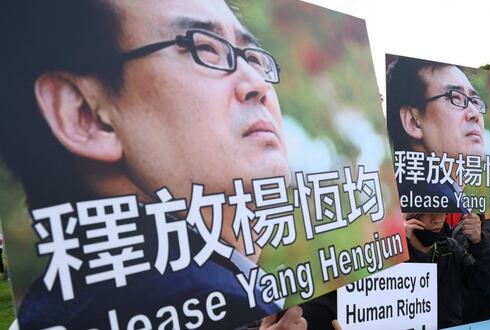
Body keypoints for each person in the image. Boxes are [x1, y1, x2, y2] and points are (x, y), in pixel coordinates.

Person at [0, 1, 305, 329]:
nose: (257, 86)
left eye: (253, 58)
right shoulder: (192, 301)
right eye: (204, 48)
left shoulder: (69, 304)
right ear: (85, 114)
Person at [386, 56, 487, 213]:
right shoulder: (437, 201)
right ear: (412, 121)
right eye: (455, 98)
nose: (474, 113)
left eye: (474, 101)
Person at [404, 213, 490, 328]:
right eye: (426, 211)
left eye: (442, 210)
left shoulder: (451, 248)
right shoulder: (390, 252)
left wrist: (478, 242)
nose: (437, 219)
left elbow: (484, 282)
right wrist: (396, 245)